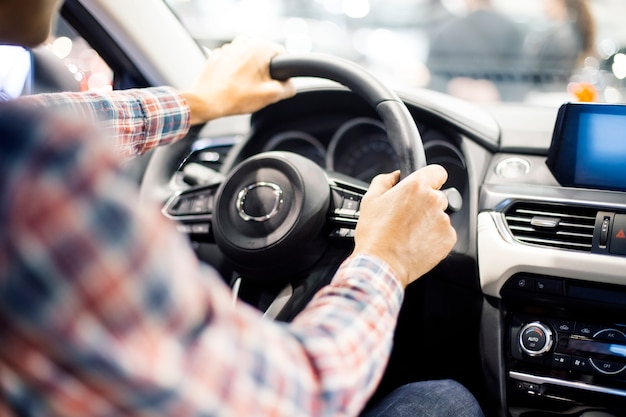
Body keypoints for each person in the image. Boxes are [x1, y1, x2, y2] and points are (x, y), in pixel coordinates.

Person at [0, 0, 485, 416]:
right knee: (445, 399)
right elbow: (289, 397)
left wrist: (197, 102)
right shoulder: (34, 178)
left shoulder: (24, 146)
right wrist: (386, 259)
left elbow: (39, 118)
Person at [426, 0, 524, 102]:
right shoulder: (511, 30)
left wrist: (452, 87)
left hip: (453, 110)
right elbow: (521, 79)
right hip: (499, 109)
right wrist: (498, 92)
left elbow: (433, 76)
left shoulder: (447, 31)